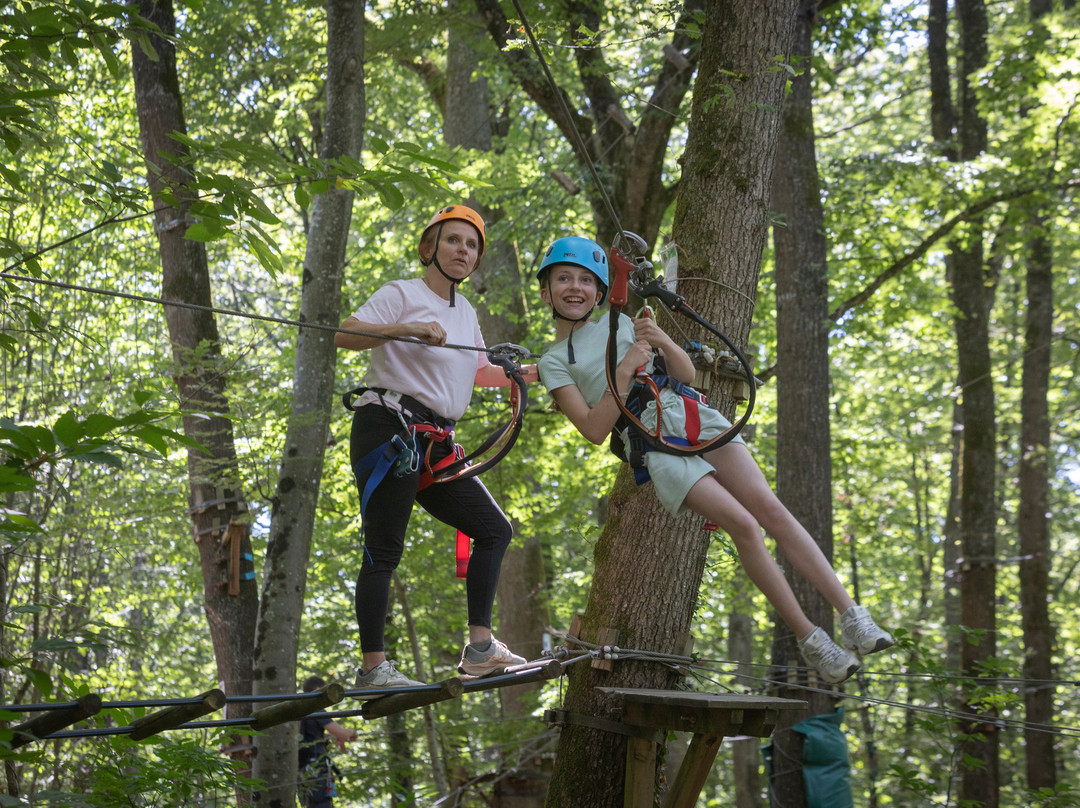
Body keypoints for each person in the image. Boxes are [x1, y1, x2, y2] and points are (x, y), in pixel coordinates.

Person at [534, 236, 894, 684]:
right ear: (546, 291)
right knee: (743, 525)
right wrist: (624, 371)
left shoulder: (622, 323)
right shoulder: (552, 361)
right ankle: (813, 642)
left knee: (770, 509)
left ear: (601, 290)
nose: (575, 287)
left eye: (586, 280)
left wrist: (661, 339)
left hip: (689, 412)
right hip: (651, 442)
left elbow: (684, 374)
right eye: (563, 278)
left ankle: (853, 615)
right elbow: (593, 428)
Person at [335, 204, 539, 688]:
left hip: (434, 440)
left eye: (471, 246)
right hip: (389, 428)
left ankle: (481, 649)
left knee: (494, 530)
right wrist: (405, 328)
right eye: (452, 240)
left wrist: (527, 373)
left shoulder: (466, 313)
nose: (462, 251)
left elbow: (475, 370)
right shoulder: (400, 294)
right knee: (383, 549)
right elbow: (344, 334)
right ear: (430, 247)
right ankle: (373, 669)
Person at [298, 676, 358, 808]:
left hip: (302, 768)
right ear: (318, 689)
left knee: (310, 804)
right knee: (321, 804)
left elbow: (312, 736)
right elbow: (341, 733)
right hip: (316, 767)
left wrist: (330, 738)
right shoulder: (316, 709)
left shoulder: (301, 709)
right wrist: (352, 732)